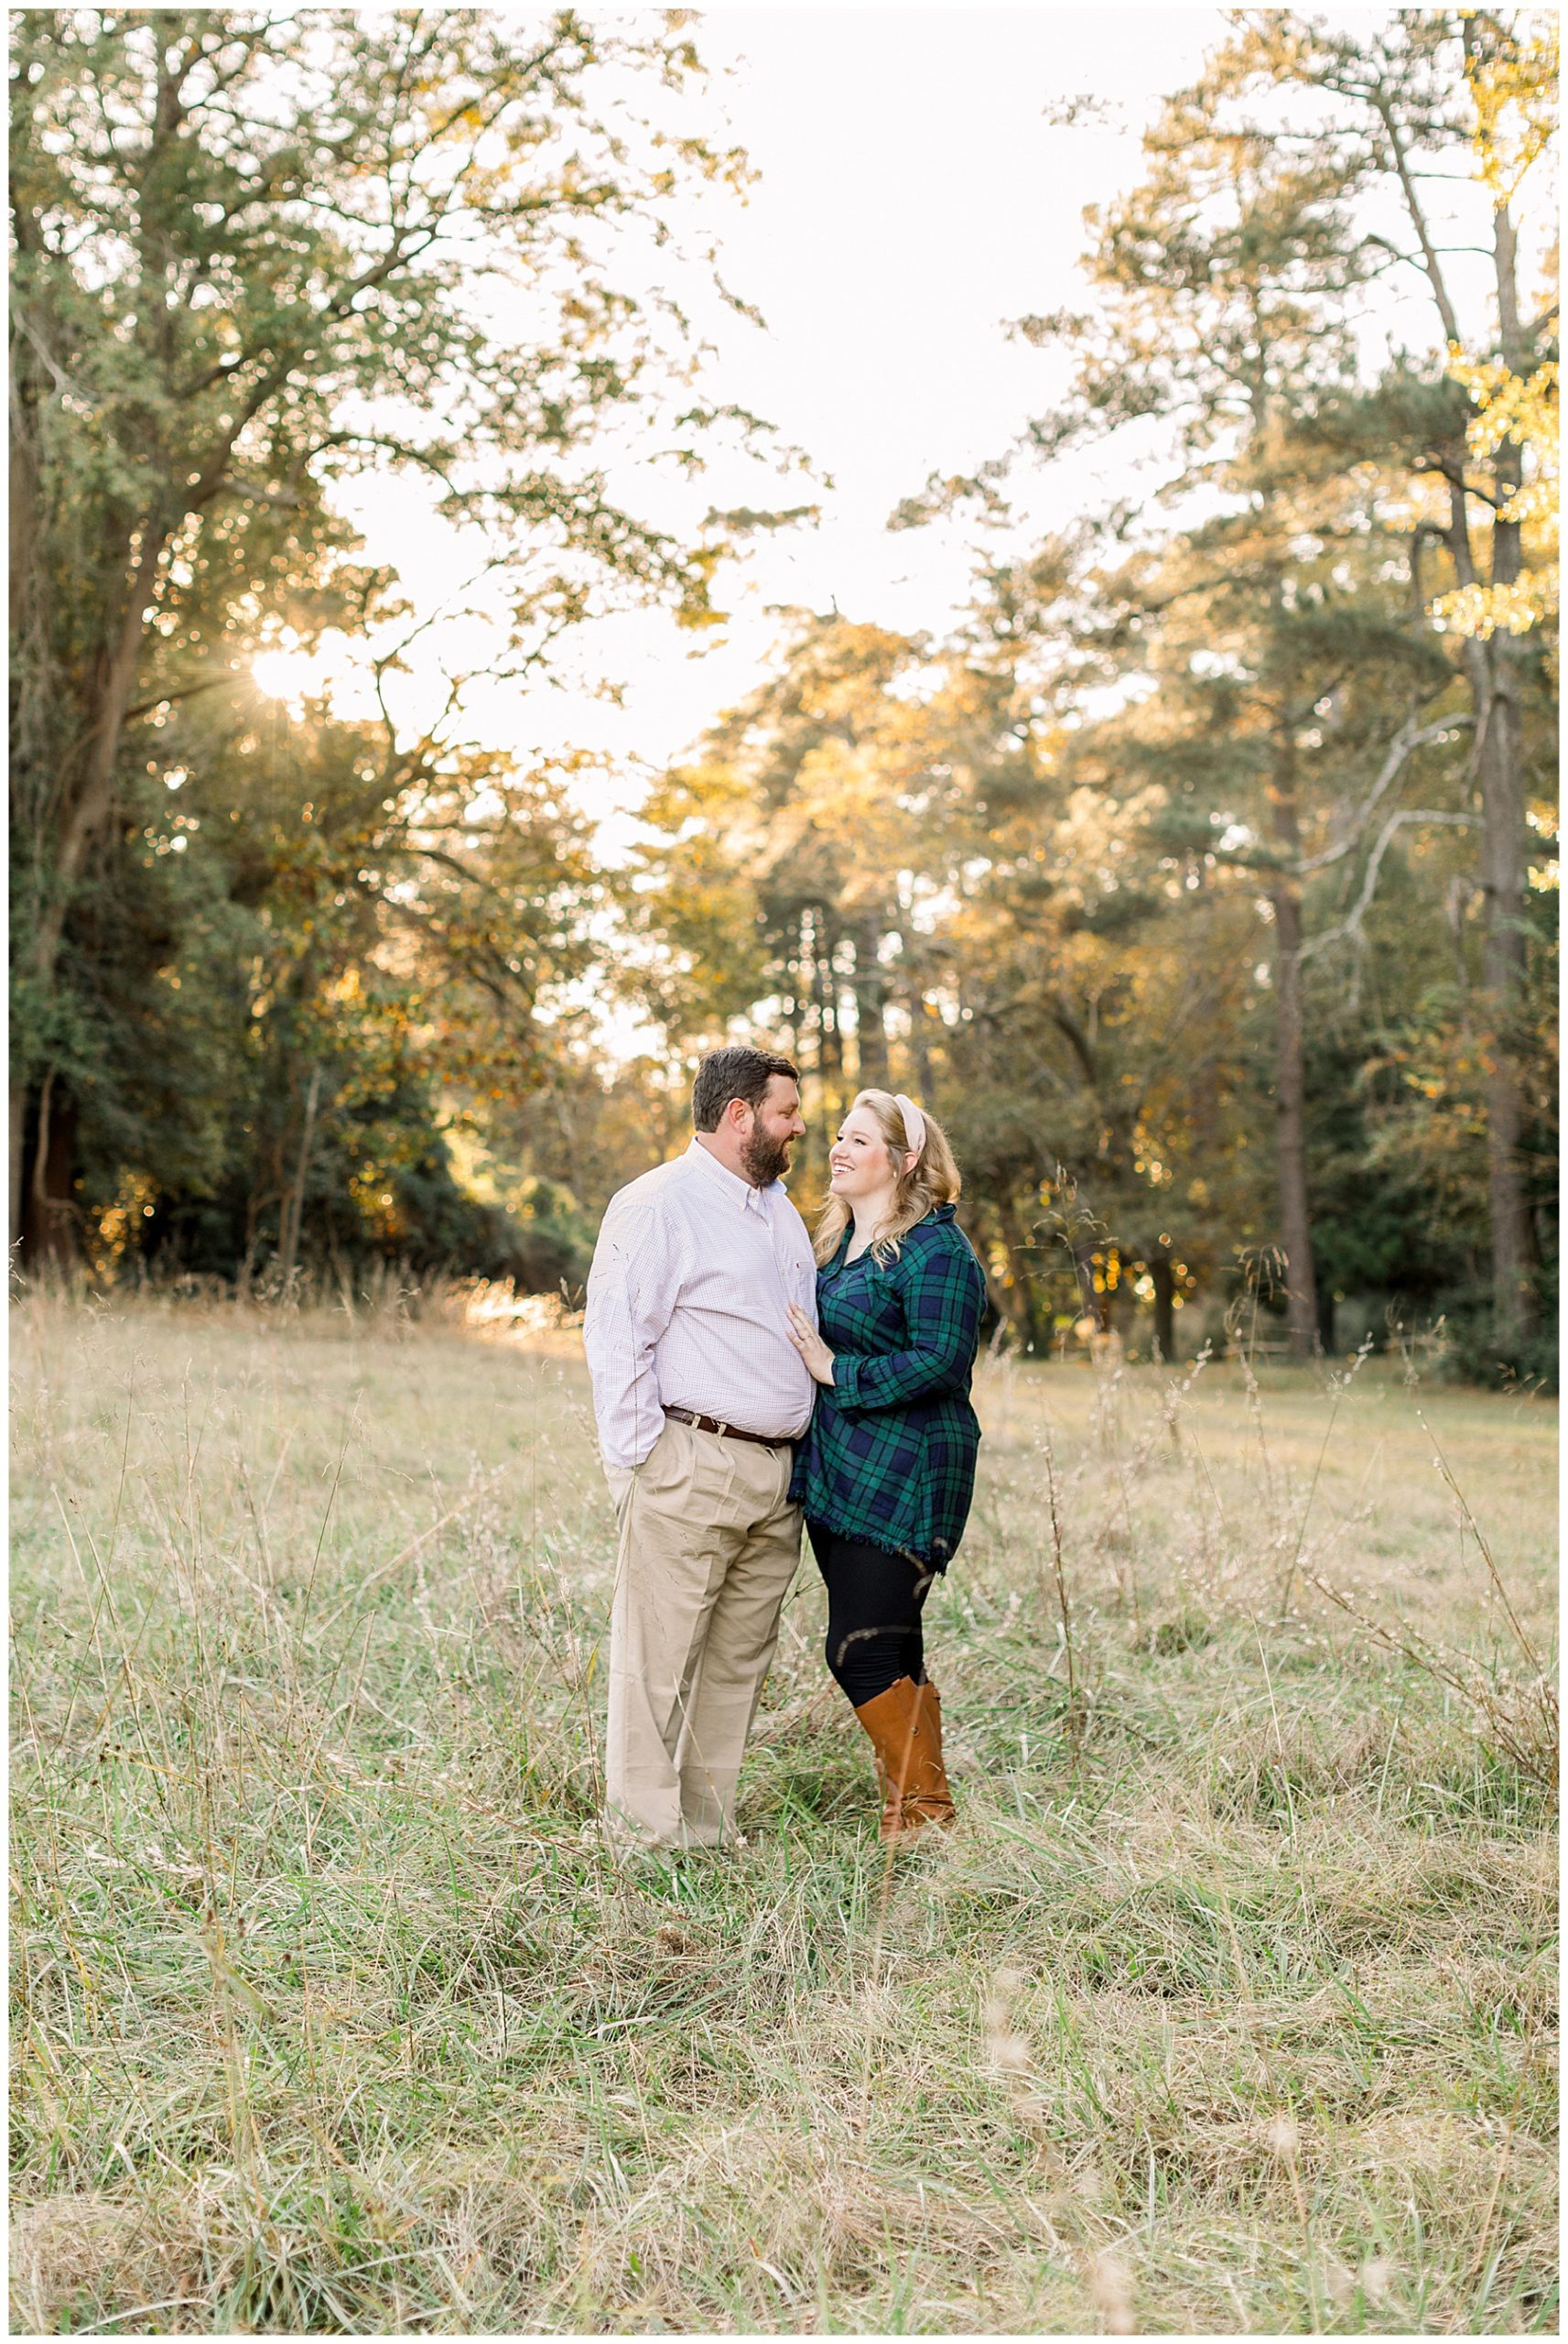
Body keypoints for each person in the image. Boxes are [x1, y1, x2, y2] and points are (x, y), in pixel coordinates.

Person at [583, 1047, 816, 1848]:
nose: (800, 1127)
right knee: (655, 1663)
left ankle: (707, 1829)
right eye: (787, 1112)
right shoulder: (658, 1203)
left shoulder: (778, 1209)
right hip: (691, 1461)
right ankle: (644, 1838)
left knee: (735, 1664)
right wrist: (642, 1464)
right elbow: (617, 1338)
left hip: (777, 1475)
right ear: (740, 1115)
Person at [784, 1090, 986, 1839]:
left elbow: (941, 1360)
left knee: (857, 1650)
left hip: (908, 1472)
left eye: (859, 1140)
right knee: (893, 1646)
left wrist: (836, 1370)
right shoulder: (837, 1243)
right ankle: (916, 1821)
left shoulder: (936, 1249)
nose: (837, 1148)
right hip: (841, 1468)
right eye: (838, 1136)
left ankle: (926, 1812)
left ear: (904, 1162)